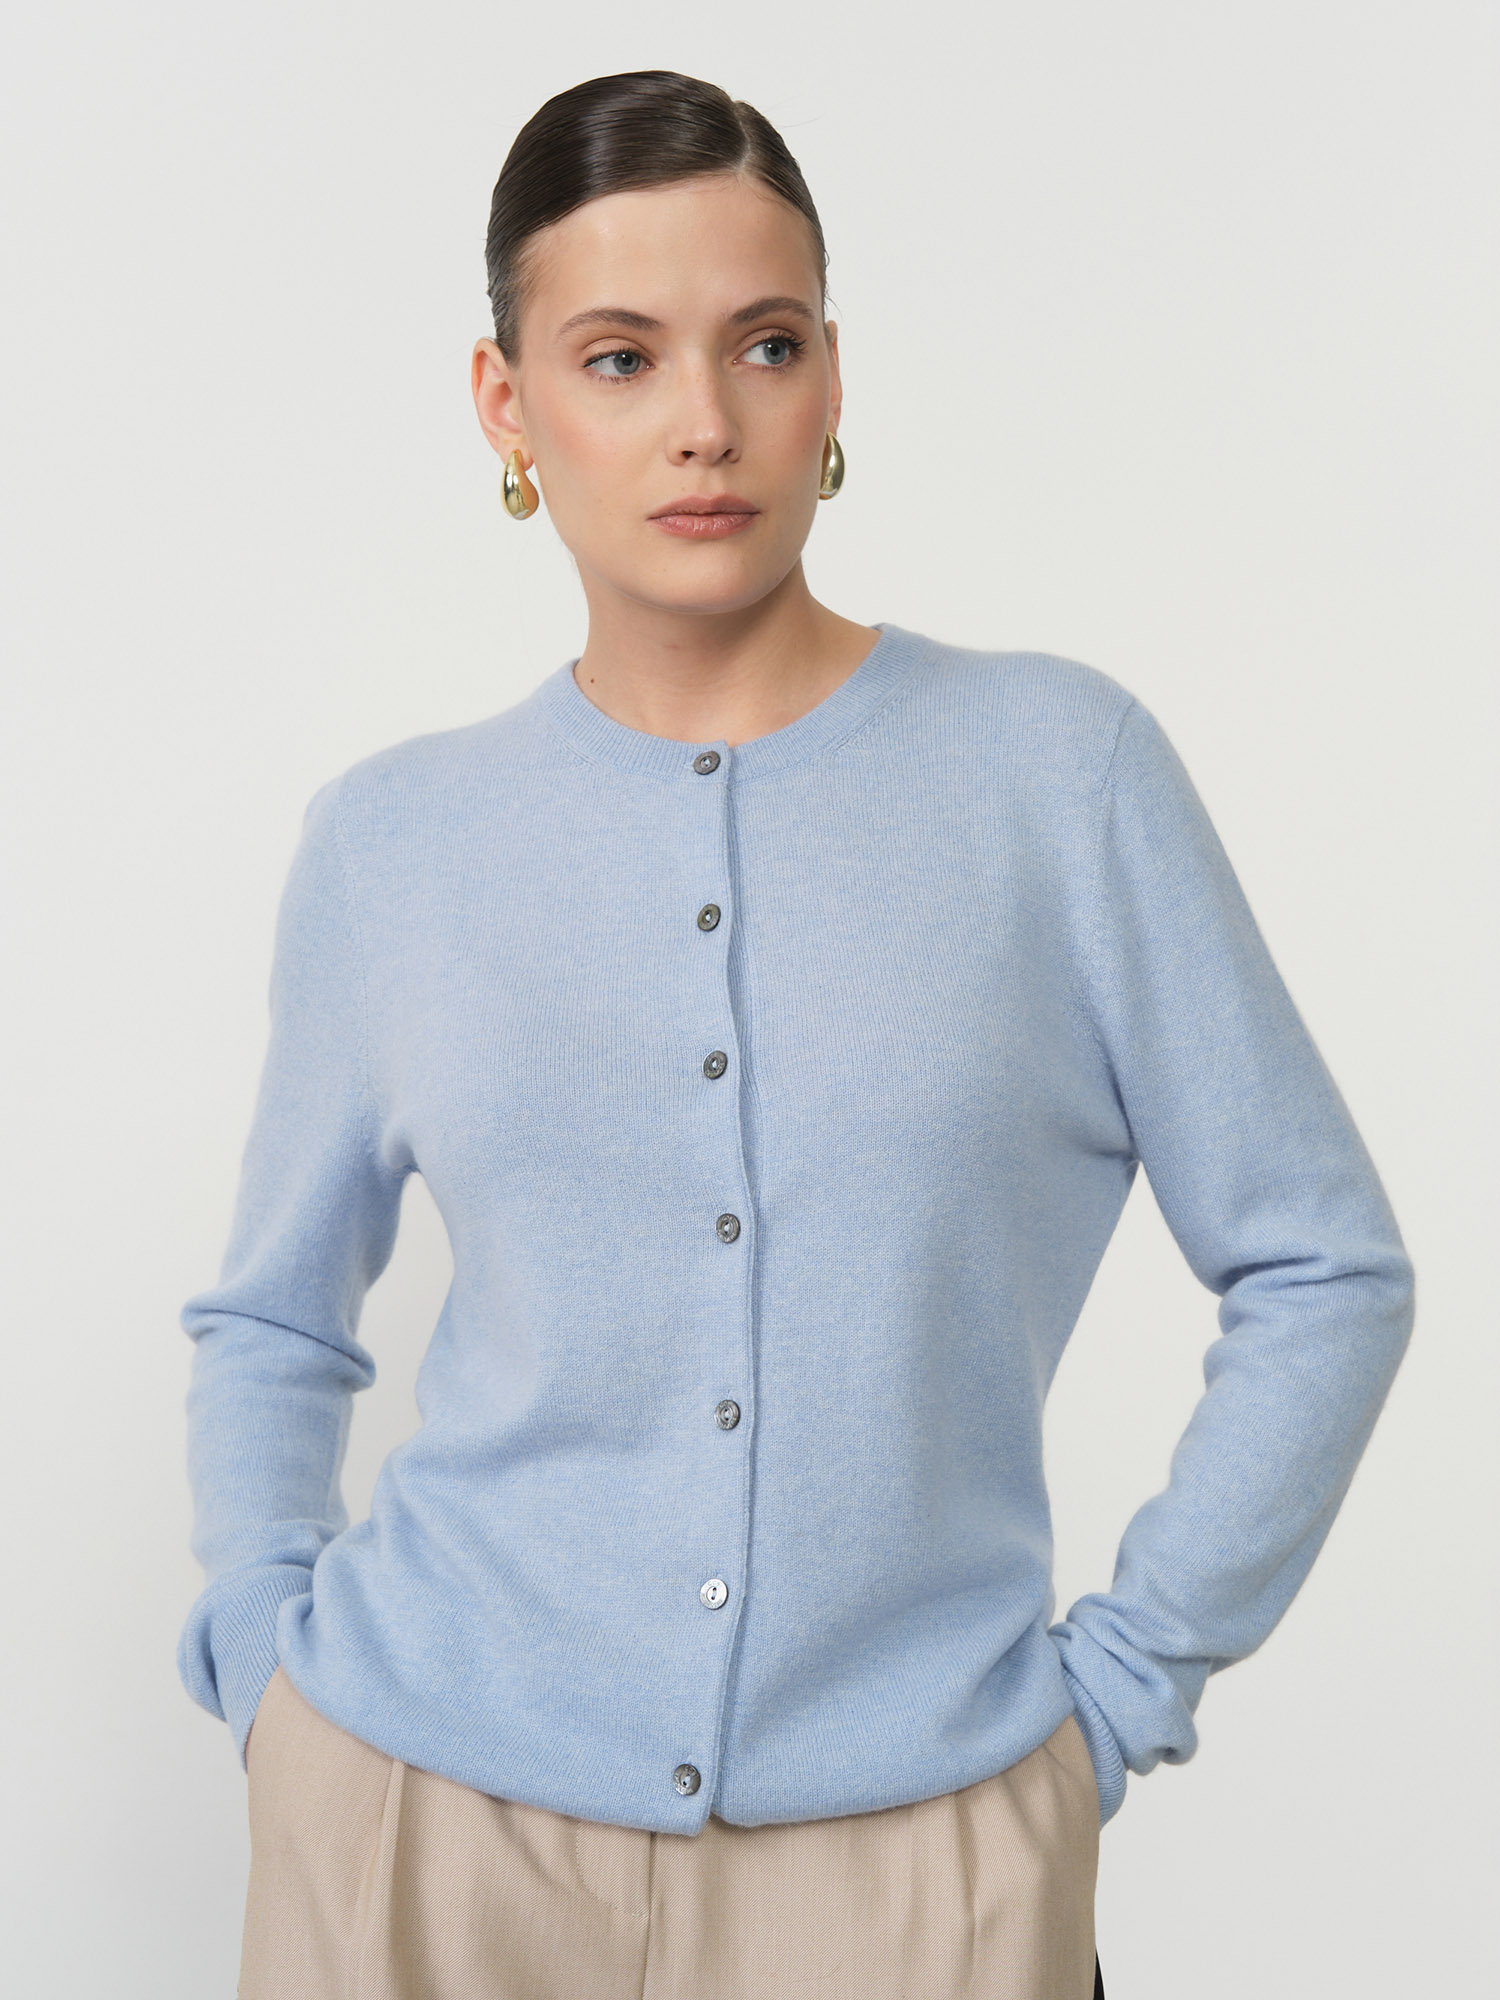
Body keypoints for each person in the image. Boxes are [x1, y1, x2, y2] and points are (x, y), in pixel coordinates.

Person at [176, 69, 1415, 2000]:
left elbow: (1325, 1266)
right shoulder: (391, 843)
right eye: (617, 357)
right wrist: (270, 1667)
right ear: (506, 405)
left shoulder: (1058, 777)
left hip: (921, 1861)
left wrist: (1117, 1694)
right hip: (422, 1835)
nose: (704, 421)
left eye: (764, 344)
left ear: (833, 377)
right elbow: (273, 1317)